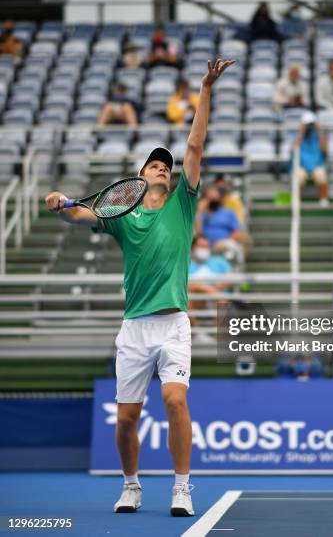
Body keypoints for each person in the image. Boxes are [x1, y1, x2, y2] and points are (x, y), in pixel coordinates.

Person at [45, 59, 235, 517]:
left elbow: (195, 141)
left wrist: (206, 88)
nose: (163, 169)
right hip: (134, 328)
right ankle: (131, 485)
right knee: (127, 417)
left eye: (166, 167)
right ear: (141, 176)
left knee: (174, 399)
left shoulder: (183, 205)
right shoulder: (123, 216)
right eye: (155, 165)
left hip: (173, 325)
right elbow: (80, 214)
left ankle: (181, 488)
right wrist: (58, 205)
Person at [196, 185, 248, 261]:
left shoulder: (228, 213)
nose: (214, 199)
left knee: (230, 249)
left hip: (224, 245)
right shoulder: (201, 215)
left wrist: (224, 242)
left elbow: (237, 232)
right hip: (206, 247)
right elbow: (198, 233)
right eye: (211, 197)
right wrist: (199, 211)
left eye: (216, 197)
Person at [292, 110, 329, 206]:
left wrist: (320, 131)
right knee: (298, 176)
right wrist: (301, 132)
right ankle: (297, 200)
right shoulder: (296, 136)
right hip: (302, 166)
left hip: (317, 165)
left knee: (321, 174)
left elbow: (325, 150)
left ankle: (323, 199)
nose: (309, 126)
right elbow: (293, 149)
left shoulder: (318, 136)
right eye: (307, 124)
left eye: (311, 124)